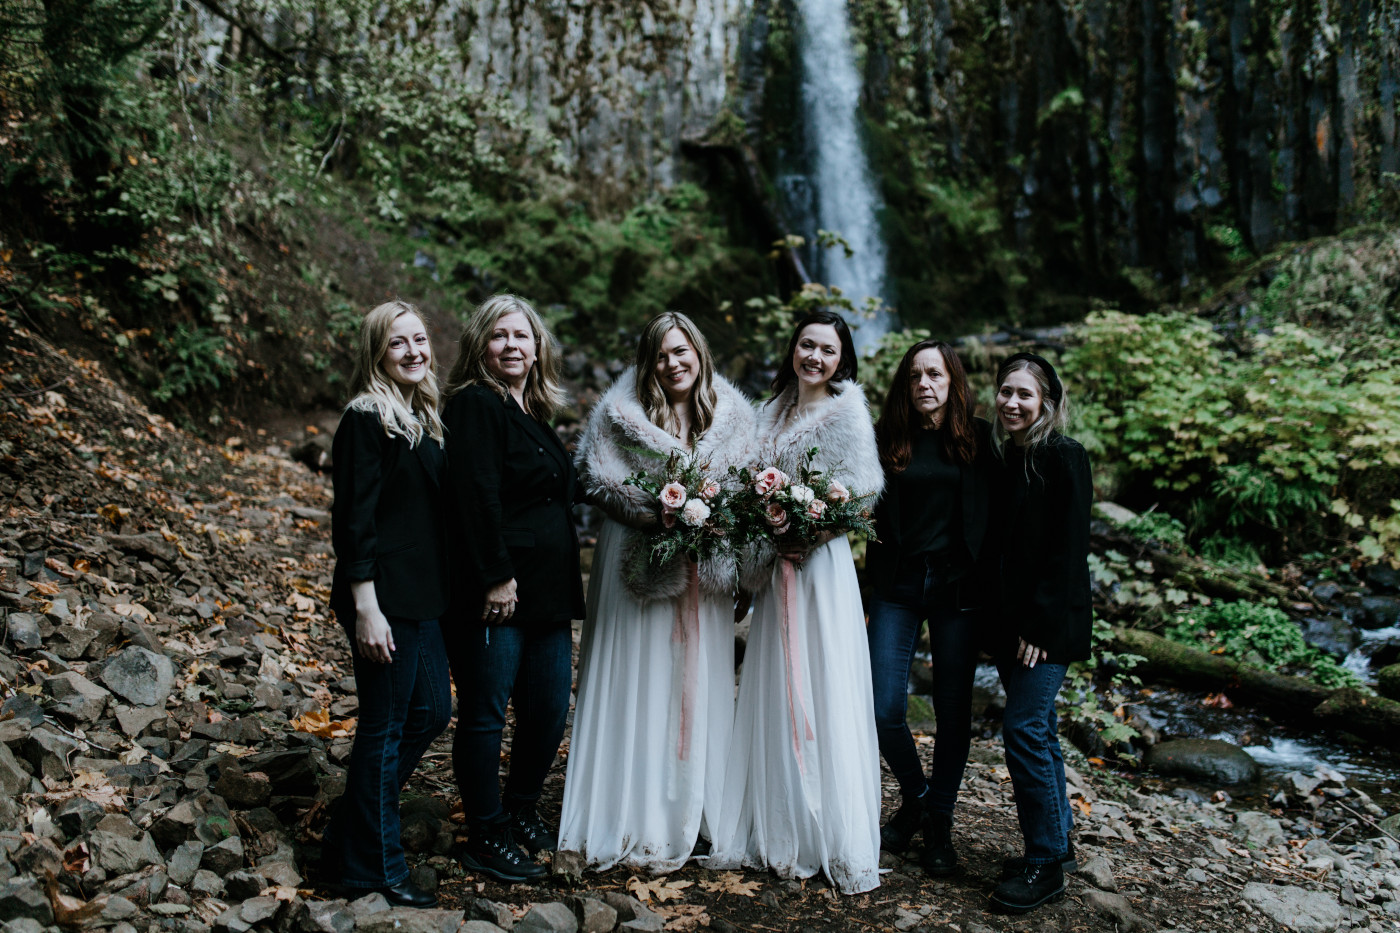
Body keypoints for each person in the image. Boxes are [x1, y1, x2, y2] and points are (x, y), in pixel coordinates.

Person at [559, 311, 755, 873]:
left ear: (699, 352)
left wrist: (737, 563)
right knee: (641, 678)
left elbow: (742, 503)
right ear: (649, 362)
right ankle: (633, 811)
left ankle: (693, 808)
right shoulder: (620, 416)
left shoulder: (734, 417)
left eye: (682, 351)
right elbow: (596, 483)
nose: (674, 363)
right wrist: (657, 514)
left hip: (706, 576)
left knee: (696, 682)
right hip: (636, 568)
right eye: (663, 355)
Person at [707, 309, 884, 894]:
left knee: (822, 680)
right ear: (793, 349)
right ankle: (775, 823)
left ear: (841, 360)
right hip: (772, 569)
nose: (814, 357)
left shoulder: (848, 415)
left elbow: (860, 501)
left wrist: (809, 530)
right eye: (806, 345)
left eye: (827, 351)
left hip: (818, 572)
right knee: (776, 683)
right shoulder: (770, 411)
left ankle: (826, 830)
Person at [440, 294, 585, 883]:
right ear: (481, 345)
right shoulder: (475, 405)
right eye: (499, 336)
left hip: (547, 594)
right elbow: (474, 496)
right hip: (497, 591)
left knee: (549, 711)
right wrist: (496, 576)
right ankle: (486, 830)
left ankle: (521, 809)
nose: (511, 346)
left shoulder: (532, 409)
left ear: (537, 347)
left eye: (521, 336)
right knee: (485, 713)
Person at [324, 300, 452, 908]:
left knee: (431, 712)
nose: (413, 352)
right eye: (397, 343)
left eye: (419, 340)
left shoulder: (421, 415)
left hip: (421, 596)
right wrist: (365, 607)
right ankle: (375, 868)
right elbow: (353, 523)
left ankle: (348, 838)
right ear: (377, 351)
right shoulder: (365, 418)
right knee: (385, 725)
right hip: (382, 599)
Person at [864, 339, 993, 876]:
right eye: (915, 375)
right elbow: (865, 516)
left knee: (952, 712)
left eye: (935, 374)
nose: (924, 384)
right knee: (884, 707)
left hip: (956, 589)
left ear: (952, 381)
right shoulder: (885, 438)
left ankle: (938, 821)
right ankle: (918, 796)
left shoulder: (981, 441)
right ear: (905, 383)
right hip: (898, 586)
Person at [987, 352, 1092, 913]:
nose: (1012, 403)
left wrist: (1041, 626)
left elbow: (1068, 550)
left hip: (1046, 627)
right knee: (1042, 730)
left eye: (1025, 394)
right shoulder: (1011, 456)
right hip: (1012, 625)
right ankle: (1059, 842)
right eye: (1006, 392)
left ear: (1047, 401)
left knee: (1023, 729)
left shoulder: (1064, 457)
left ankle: (1045, 861)